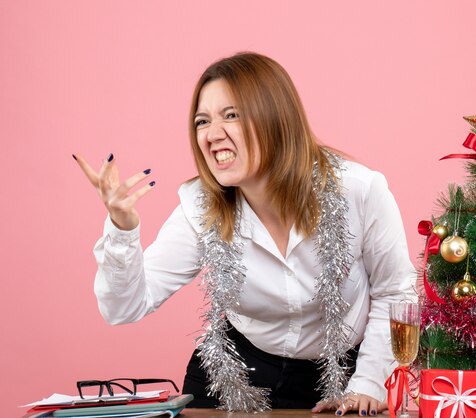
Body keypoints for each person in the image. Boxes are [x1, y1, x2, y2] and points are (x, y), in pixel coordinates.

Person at [75, 52, 417, 416]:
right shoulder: (200, 206)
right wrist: (122, 230)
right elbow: (124, 306)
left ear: (275, 117)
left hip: (342, 377)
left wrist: (368, 382)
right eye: (202, 121)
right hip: (232, 373)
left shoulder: (358, 189)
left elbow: (395, 291)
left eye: (232, 115)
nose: (212, 134)